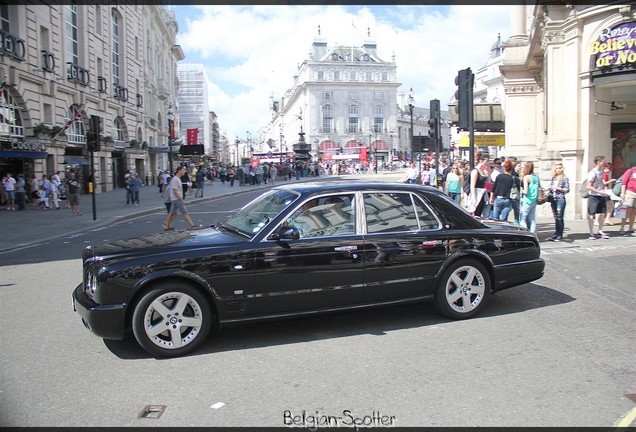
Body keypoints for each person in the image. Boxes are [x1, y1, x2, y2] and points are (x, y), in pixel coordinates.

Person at [164, 165, 200, 231]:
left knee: (171, 213)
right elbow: (175, 190)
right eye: (183, 170)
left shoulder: (177, 179)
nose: (185, 171)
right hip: (177, 198)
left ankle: (167, 226)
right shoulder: (175, 179)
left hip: (175, 198)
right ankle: (192, 225)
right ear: (179, 171)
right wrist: (180, 198)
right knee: (184, 212)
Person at [585, 155, 610, 240]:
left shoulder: (602, 172)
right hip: (593, 195)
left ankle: (600, 230)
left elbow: (601, 182)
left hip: (601, 195)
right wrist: (599, 191)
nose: (604, 162)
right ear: (599, 162)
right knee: (592, 214)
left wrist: (604, 189)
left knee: (602, 213)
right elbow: (588, 186)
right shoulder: (592, 173)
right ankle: (591, 232)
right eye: (603, 161)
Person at [546, 162, 570, 241]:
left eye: (560, 168)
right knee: (556, 217)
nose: (559, 170)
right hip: (553, 198)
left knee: (560, 217)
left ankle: (560, 234)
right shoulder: (554, 178)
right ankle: (556, 233)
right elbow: (551, 187)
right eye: (557, 168)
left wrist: (557, 187)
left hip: (560, 199)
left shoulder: (564, 178)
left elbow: (567, 189)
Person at [520, 161, 540, 233]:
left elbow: (525, 191)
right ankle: (533, 233)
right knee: (532, 219)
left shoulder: (526, 177)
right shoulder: (536, 177)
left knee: (523, 218)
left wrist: (521, 190)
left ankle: (525, 233)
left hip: (527, 200)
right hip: (534, 200)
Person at [619, 165, 636, 234]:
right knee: (627, 210)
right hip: (630, 192)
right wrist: (623, 193)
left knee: (634, 211)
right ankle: (622, 227)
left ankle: (630, 227)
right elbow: (624, 182)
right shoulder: (630, 171)